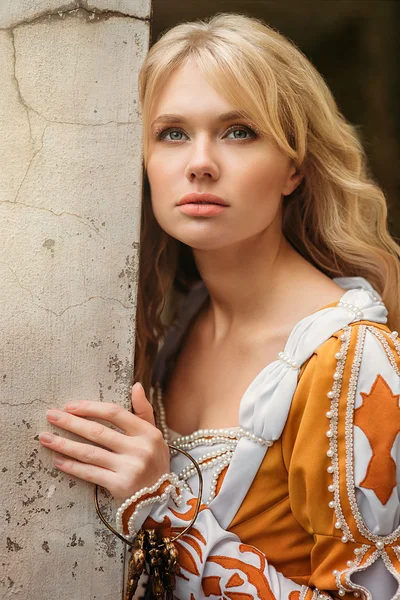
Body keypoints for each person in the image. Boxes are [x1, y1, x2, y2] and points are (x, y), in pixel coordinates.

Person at [39, 12, 400, 599]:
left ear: (294, 167)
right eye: (172, 133)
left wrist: (166, 513)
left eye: (238, 131)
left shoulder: (353, 361)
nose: (200, 161)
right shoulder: (173, 325)